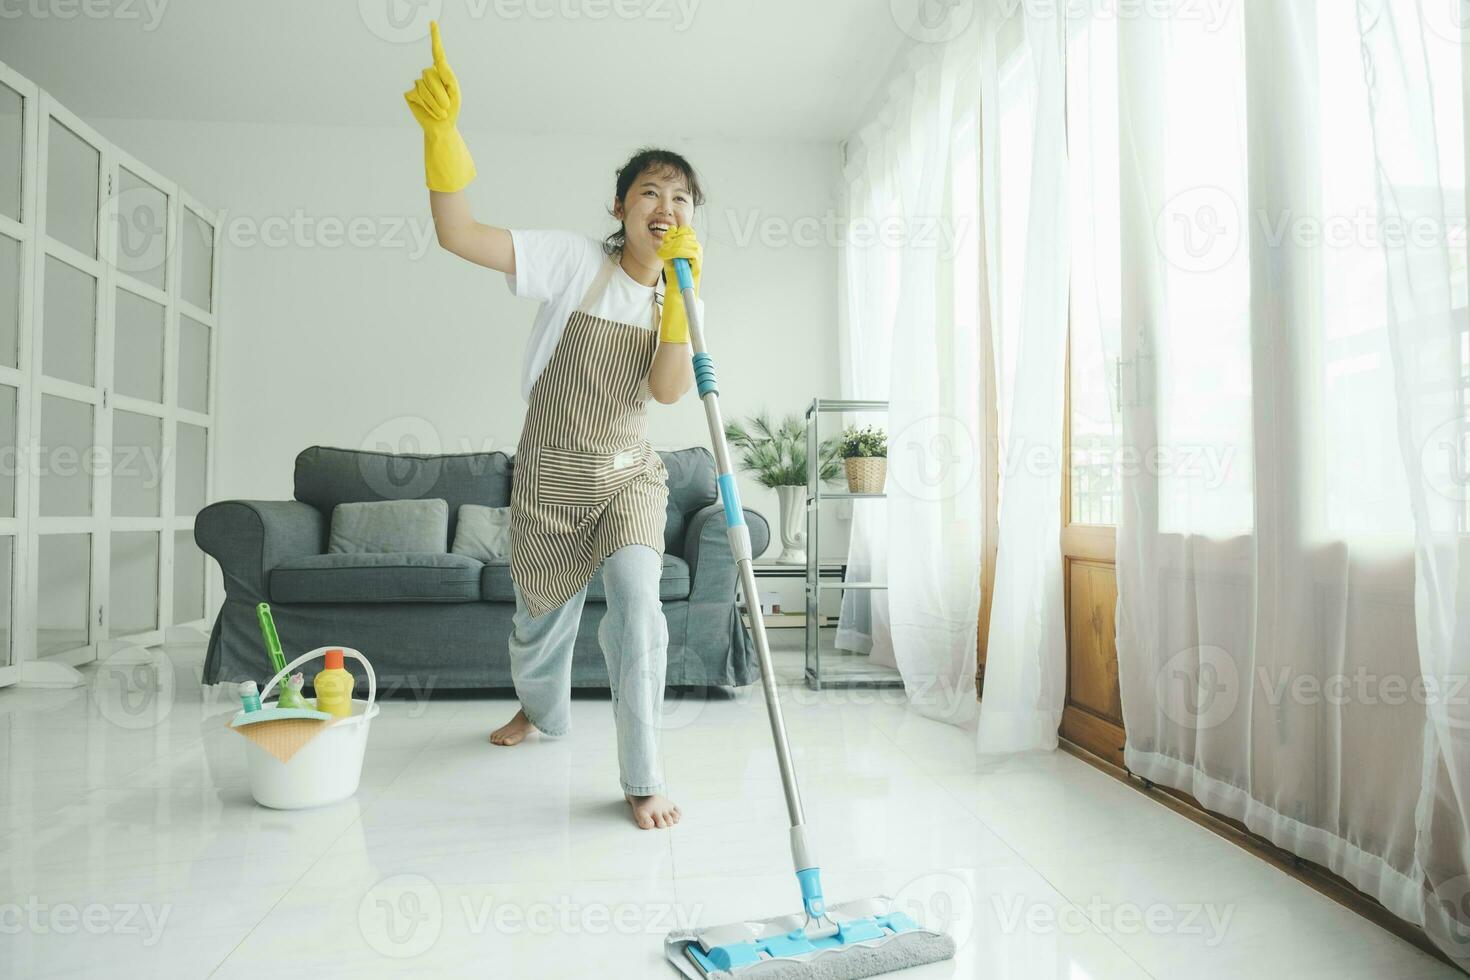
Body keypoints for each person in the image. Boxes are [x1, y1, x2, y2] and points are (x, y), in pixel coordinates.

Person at [405, 21, 704, 830]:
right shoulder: (577, 263)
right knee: (539, 624)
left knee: (639, 605)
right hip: (548, 473)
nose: (665, 206)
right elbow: (458, 234)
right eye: (650, 191)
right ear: (621, 205)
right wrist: (444, 139)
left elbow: (671, 393)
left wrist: (678, 300)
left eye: (680, 197)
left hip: (630, 476)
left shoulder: (681, 299)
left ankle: (643, 778)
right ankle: (541, 712)